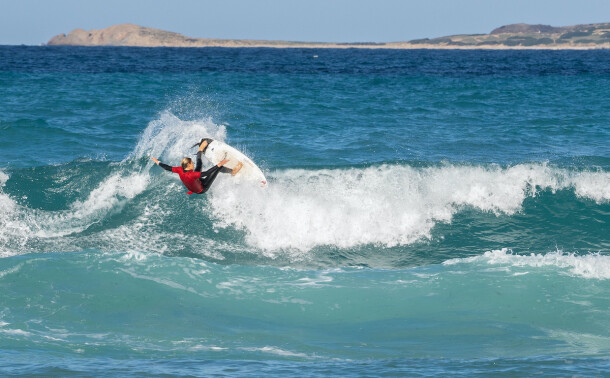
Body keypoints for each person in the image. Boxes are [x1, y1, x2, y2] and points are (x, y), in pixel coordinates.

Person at [151, 139, 243, 195]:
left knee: (199, 163)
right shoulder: (192, 174)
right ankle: (233, 172)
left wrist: (157, 162)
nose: (193, 164)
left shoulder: (179, 169)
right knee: (218, 168)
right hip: (202, 188)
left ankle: (200, 149)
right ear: (188, 165)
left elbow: (167, 167)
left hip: (196, 182)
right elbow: (206, 173)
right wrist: (220, 164)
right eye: (192, 163)